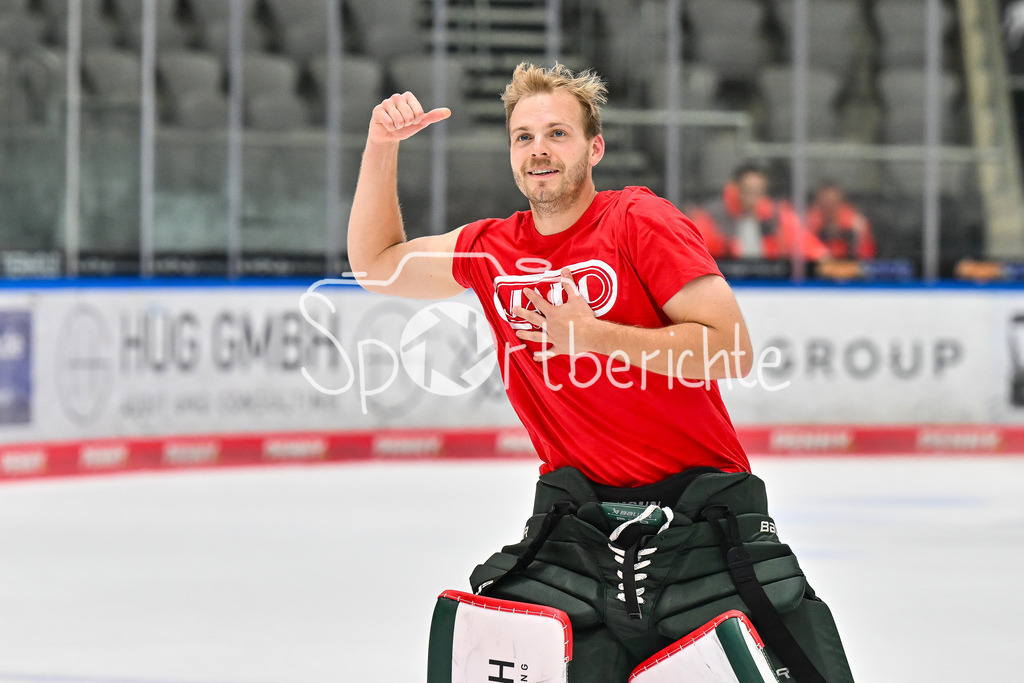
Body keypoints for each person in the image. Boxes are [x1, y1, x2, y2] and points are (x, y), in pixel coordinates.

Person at [348, 63, 853, 682]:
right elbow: (377, 264)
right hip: (578, 527)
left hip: (701, 516)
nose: (538, 150)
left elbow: (729, 350)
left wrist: (591, 338)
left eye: (557, 134)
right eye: (523, 136)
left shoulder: (638, 220)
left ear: (595, 148)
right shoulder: (489, 250)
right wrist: (381, 146)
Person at [690, 164, 829, 261]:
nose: (752, 199)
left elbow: (815, 251)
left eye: (758, 192)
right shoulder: (712, 219)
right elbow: (696, 257)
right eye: (747, 191)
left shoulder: (777, 218)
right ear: (734, 189)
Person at [806, 180, 877, 260]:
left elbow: (867, 256)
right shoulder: (809, 224)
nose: (829, 208)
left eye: (833, 203)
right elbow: (804, 254)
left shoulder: (857, 224)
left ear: (841, 202)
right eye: (825, 204)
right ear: (819, 203)